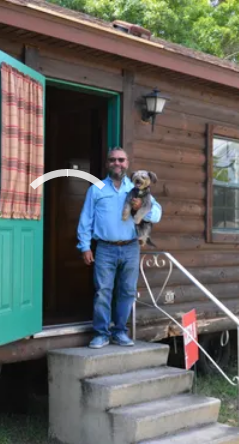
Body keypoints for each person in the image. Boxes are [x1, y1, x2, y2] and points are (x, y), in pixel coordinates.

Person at [76, 147, 162, 349]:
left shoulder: (138, 188)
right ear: (107, 164)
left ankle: (120, 332)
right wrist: (85, 247)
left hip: (131, 247)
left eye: (121, 160)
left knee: (127, 292)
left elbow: (156, 214)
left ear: (127, 163)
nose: (117, 163)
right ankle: (101, 334)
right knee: (103, 292)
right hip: (104, 248)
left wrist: (138, 208)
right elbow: (85, 220)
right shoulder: (96, 189)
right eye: (113, 160)